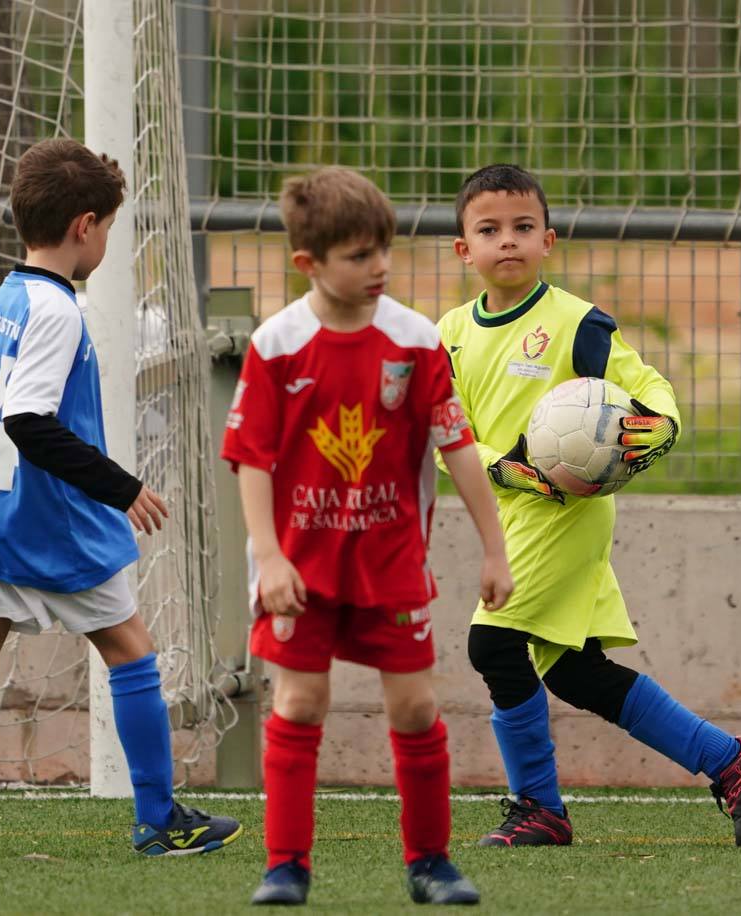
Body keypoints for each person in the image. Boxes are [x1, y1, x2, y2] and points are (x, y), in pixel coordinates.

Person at [0, 137, 241, 857]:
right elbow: (26, 421)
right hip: (47, 524)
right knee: (132, 653)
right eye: (109, 230)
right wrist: (120, 488)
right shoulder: (58, 311)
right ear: (84, 227)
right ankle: (159, 820)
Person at [436, 164, 741, 850]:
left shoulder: (576, 323)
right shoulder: (449, 334)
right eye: (490, 229)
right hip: (513, 511)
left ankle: (540, 807)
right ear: (463, 250)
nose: (509, 242)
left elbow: (648, 392)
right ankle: (728, 758)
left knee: (494, 644)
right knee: (574, 671)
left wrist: (655, 430)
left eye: (524, 228)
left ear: (549, 241)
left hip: (567, 515)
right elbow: (456, 431)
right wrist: (510, 471)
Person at [222, 166, 513, 907]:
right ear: (308, 265)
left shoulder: (414, 343)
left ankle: (432, 863)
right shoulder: (277, 344)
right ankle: (285, 866)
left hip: (390, 566)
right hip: (302, 570)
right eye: (358, 256)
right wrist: (269, 556)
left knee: (415, 709)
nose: (378, 266)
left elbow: (459, 448)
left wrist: (494, 547)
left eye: (382, 250)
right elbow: (251, 459)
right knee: (300, 705)